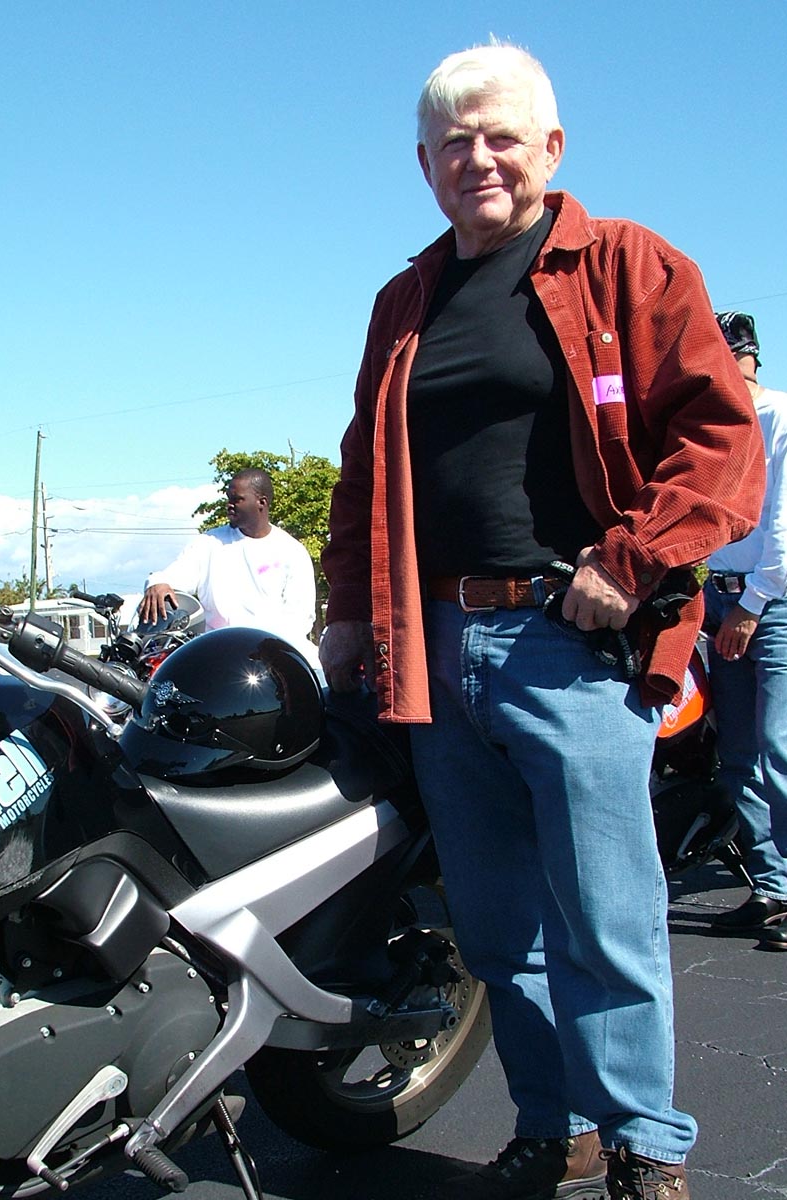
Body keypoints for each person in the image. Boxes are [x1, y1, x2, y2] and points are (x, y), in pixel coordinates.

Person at [320, 42, 765, 1200]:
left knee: (605, 917)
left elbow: (722, 443)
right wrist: (346, 615)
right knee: (494, 926)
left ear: (551, 148)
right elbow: (364, 475)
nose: (478, 159)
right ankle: (554, 1125)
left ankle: (645, 1145)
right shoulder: (405, 301)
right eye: (452, 143)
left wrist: (632, 557)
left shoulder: (626, 266)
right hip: (437, 652)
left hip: (566, 647)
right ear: (424, 165)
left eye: (502, 137)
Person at [704, 312, 787, 952]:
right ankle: (771, 886)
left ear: (749, 357)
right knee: (736, 753)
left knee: (777, 745)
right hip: (718, 594)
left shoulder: (778, 416)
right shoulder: (715, 426)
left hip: (772, 602)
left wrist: (752, 604)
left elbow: (783, 527)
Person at [139, 468, 319, 663]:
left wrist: (266, 651)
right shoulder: (209, 543)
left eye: (237, 499)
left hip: (270, 655)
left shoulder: (291, 550)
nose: (229, 505)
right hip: (217, 655)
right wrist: (157, 583)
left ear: (261, 502)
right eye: (228, 498)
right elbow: (172, 578)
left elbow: (299, 618)